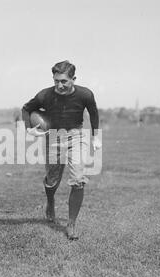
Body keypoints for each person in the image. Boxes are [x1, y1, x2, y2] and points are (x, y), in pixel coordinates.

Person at [22, 60, 101, 240]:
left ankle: (71, 224)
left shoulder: (85, 94)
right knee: (52, 180)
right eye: (56, 80)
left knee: (78, 179)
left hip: (77, 135)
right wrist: (29, 128)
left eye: (64, 81)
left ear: (74, 79)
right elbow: (26, 109)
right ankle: (50, 203)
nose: (59, 85)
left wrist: (95, 136)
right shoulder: (45, 95)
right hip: (54, 136)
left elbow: (94, 113)